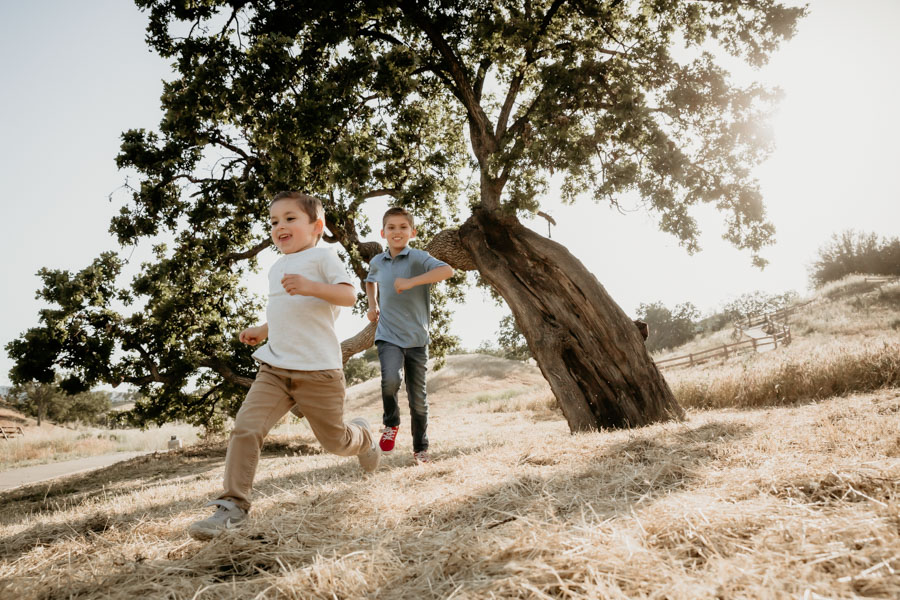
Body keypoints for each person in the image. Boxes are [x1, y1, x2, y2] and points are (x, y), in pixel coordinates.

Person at [189, 191, 381, 541]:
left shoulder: (324, 255)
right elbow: (285, 311)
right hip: (275, 368)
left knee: (336, 442)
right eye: (274, 222)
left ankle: (364, 437)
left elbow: (349, 296)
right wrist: (262, 330)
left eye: (290, 218)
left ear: (316, 226)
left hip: (319, 371)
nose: (280, 227)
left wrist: (311, 286)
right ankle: (232, 507)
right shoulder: (276, 266)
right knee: (246, 427)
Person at [365, 207, 454, 464]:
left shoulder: (418, 258)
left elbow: (447, 270)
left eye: (403, 227)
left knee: (418, 400)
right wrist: (373, 305)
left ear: (412, 232)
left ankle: (420, 448)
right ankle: (391, 423)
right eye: (391, 227)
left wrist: (412, 282)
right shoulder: (378, 262)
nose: (397, 232)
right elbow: (370, 280)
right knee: (390, 380)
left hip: (417, 338)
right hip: (388, 335)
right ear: (383, 233)